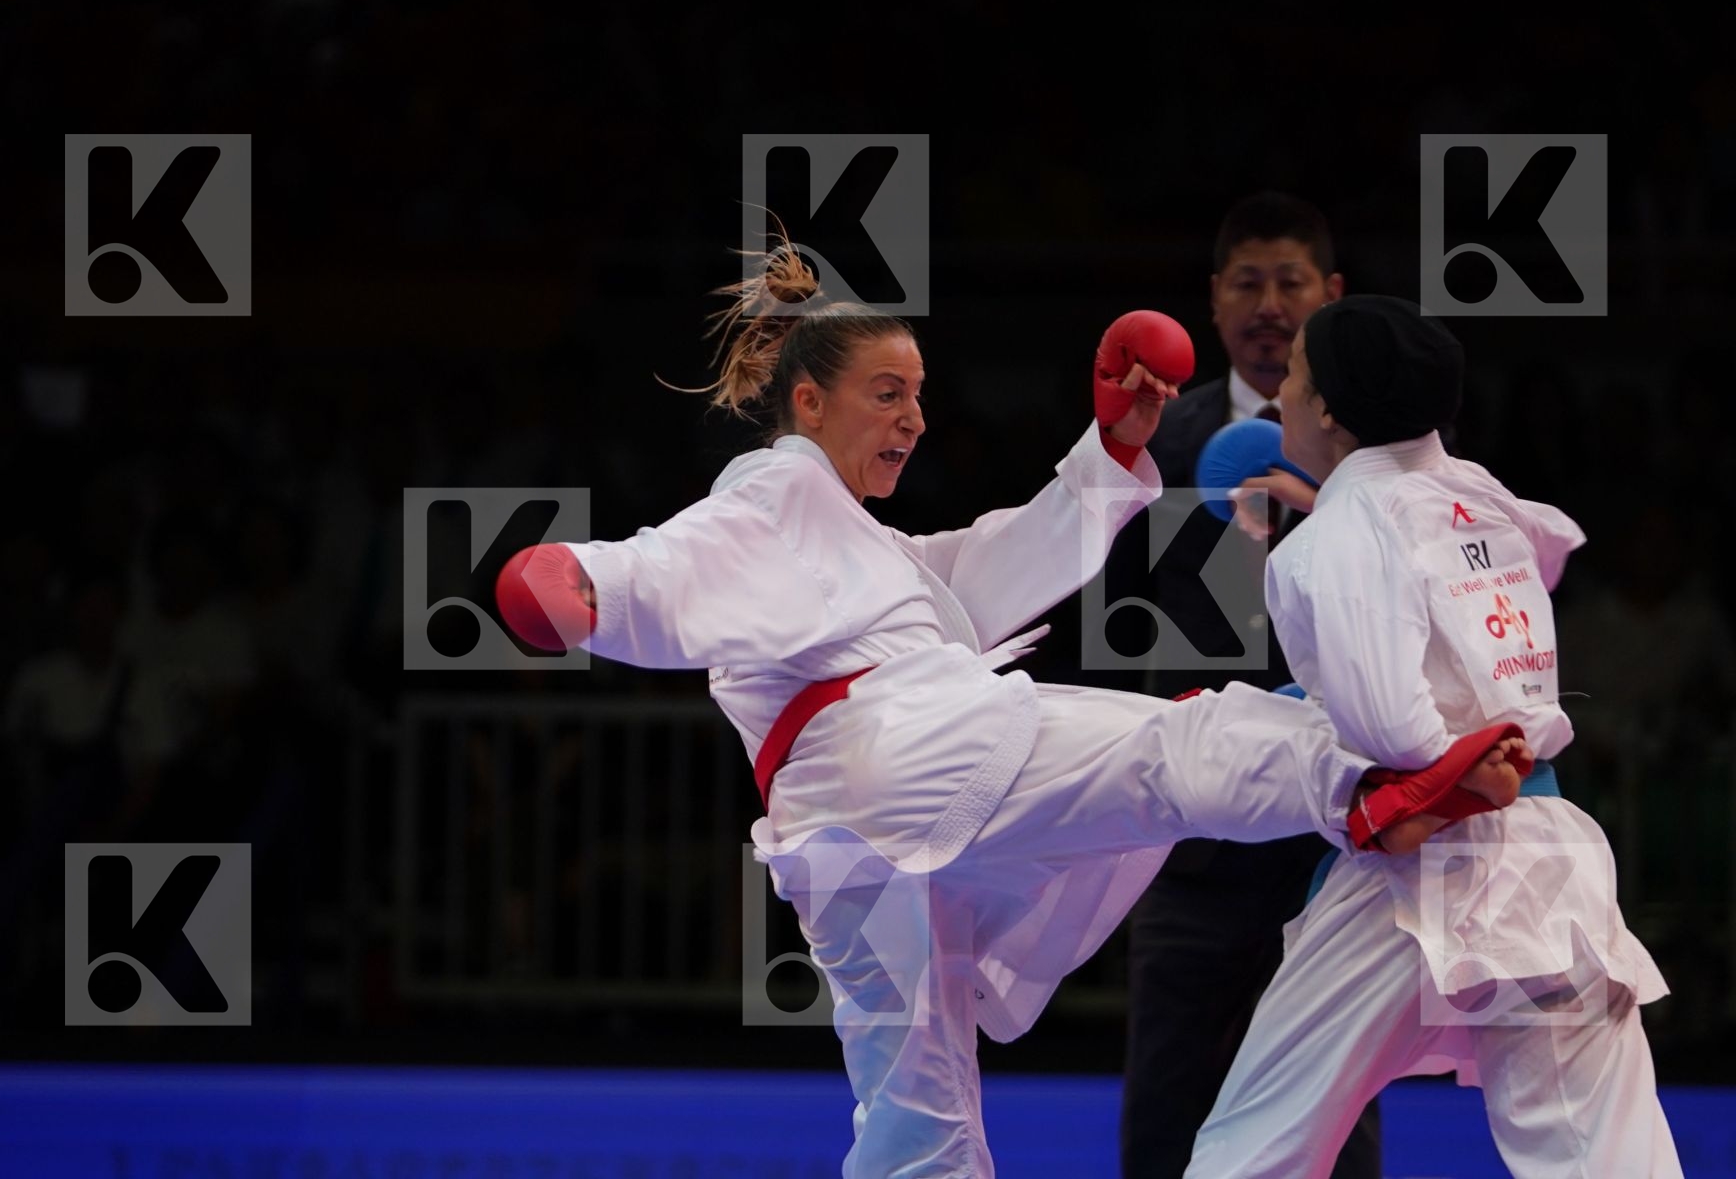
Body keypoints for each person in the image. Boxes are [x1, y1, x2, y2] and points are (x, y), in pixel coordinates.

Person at [496, 241, 1529, 1178]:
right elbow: (672, 562)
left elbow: (982, 566)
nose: (915, 419)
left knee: (919, 1129)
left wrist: (1112, 452)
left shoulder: (861, 551)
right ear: (807, 406)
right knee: (1176, 743)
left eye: (920, 394)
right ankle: (1372, 782)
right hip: (908, 756)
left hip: (845, 849)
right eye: (887, 394)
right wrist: (580, 583)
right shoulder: (775, 495)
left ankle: (1368, 784)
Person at [1185, 296, 1682, 1178]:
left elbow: (1394, 734)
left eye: (1296, 375)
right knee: (1602, 1155)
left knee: (1255, 1149)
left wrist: (1306, 684)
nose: (1284, 397)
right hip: (1547, 860)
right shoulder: (1479, 493)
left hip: (1413, 873)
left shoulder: (1332, 540)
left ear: (1331, 407)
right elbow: (1552, 546)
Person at [1110, 192, 1382, 1179]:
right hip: (1190, 841)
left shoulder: (1375, 451)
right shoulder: (1154, 442)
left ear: (1332, 295)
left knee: (1333, 1119)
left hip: (1332, 843)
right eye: (1248, 283)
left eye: (1291, 283)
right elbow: (1110, 617)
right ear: (1215, 300)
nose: (1270, 305)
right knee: (1166, 1112)